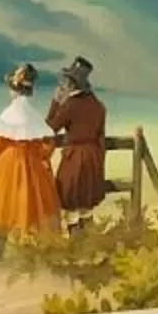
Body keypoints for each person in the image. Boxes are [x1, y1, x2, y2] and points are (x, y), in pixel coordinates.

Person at [0, 63, 62, 236]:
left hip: (7, 165)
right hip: (34, 169)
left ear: (13, 90)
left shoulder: (10, 113)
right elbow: (46, 149)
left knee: (2, 209)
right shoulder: (34, 115)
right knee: (32, 211)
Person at [46, 57, 108, 223]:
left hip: (75, 158)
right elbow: (101, 138)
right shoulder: (99, 105)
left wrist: (56, 102)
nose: (64, 84)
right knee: (86, 204)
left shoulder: (71, 105)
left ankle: (76, 242)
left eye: (66, 81)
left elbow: (50, 128)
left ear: (72, 84)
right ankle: (86, 242)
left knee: (70, 203)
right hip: (94, 157)